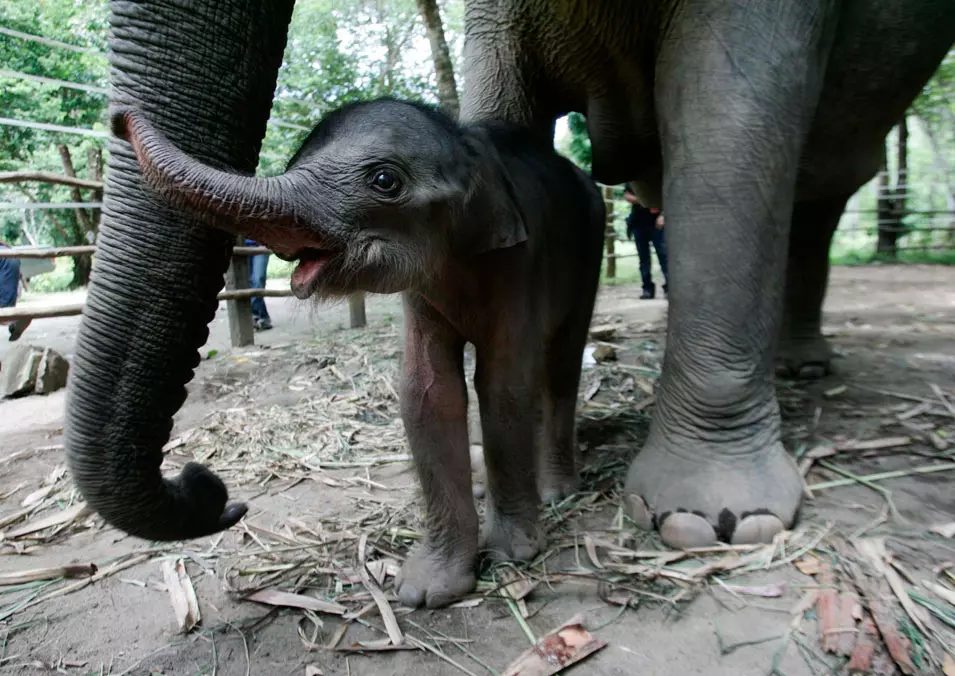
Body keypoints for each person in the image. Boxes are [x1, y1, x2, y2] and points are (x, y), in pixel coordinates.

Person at [623, 183, 668, 299]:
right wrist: (647, 201)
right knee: (644, 259)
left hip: (657, 223)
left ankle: (669, 287)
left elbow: (668, 196)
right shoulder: (633, 179)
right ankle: (647, 288)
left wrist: (663, 215)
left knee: (664, 256)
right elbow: (627, 196)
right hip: (639, 223)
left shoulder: (659, 176)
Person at [0, 242, 31, 341]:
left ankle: (13, 321)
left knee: (3, 311)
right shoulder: (6, 249)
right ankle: (13, 321)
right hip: (13, 281)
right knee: (5, 310)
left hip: (6, 269)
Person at [245, 239, 272, 330]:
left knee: (258, 279)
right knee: (249, 283)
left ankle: (254, 315)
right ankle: (264, 317)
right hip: (242, 246)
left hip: (261, 244)